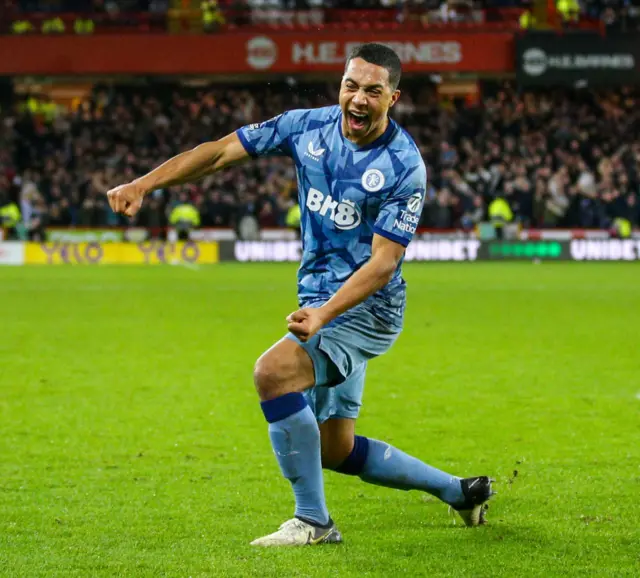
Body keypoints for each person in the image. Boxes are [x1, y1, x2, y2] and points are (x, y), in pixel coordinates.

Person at [106, 43, 494, 547]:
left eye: (372, 91)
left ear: (392, 98)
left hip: (365, 309)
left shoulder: (403, 166)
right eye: (351, 85)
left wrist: (325, 313)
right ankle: (459, 492)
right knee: (335, 450)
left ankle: (313, 522)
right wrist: (146, 183)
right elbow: (224, 150)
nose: (357, 98)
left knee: (274, 372)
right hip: (319, 302)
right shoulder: (307, 126)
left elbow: (383, 263)